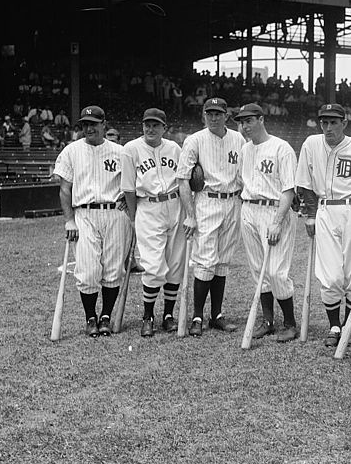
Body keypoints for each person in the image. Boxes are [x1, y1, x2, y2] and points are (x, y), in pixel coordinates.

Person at [295, 103, 351, 347]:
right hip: (324, 210)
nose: (328, 127)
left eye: (333, 122)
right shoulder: (311, 144)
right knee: (329, 275)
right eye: (324, 122)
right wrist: (309, 214)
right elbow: (304, 182)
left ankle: (348, 323)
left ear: (344, 123)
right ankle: (334, 326)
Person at [53, 105, 133, 337]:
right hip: (85, 213)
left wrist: (130, 205)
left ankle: (105, 316)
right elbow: (65, 189)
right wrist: (69, 220)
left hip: (115, 213)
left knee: (113, 269)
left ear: (103, 124)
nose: (89, 128)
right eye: (85, 124)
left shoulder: (120, 151)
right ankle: (90, 317)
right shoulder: (71, 151)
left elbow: (132, 185)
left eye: (93, 123)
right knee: (87, 271)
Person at [177, 97, 245, 337]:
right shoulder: (194, 140)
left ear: (226, 115)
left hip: (233, 200)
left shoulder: (238, 139)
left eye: (218, 113)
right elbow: (183, 179)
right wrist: (190, 215)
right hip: (207, 200)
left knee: (223, 260)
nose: (213, 117)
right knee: (205, 260)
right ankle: (197, 316)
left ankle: (216, 315)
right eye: (209, 113)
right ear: (203, 115)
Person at [234, 103, 299, 342]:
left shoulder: (281, 148)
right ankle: (269, 321)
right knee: (258, 269)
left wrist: (277, 221)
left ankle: (290, 323)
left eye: (249, 120)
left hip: (273, 210)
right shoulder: (244, 150)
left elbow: (289, 189)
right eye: (241, 122)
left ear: (261, 119)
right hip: (249, 208)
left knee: (276, 272)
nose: (245, 126)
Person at [121, 108, 185, 336]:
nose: (150, 129)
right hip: (148, 206)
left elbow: (184, 180)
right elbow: (128, 188)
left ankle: (168, 315)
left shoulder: (175, 148)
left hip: (175, 204)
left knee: (175, 263)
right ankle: (148, 315)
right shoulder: (131, 149)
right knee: (154, 265)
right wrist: (134, 215)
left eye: (156, 125)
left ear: (164, 128)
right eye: (147, 124)